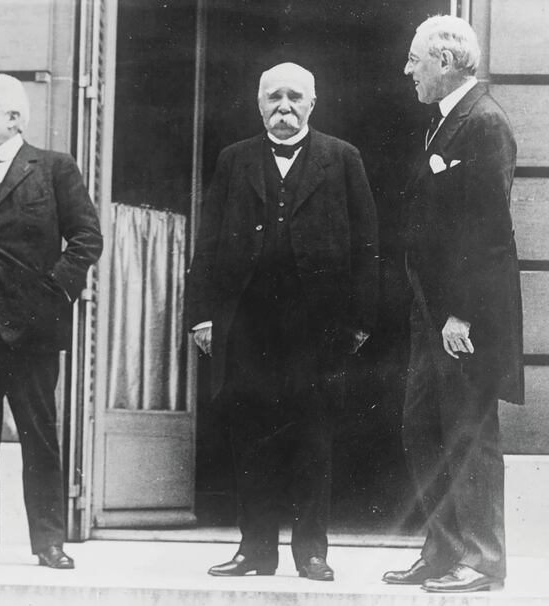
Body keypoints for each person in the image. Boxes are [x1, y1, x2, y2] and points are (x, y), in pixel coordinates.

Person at [187, 62, 379, 581]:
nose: (284, 107)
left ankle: (312, 552)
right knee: (251, 436)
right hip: (246, 323)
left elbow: (367, 244)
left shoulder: (342, 159)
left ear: (312, 105)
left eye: (295, 97)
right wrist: (202, 315)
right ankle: (255, 551)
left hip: (316, 325)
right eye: (273, 98)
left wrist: (359, 318)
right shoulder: (234, 160)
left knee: (313, 437)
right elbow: (206, 241)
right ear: (259, 104)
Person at [0, 72, 102, 569]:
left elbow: (86, 238)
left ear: (14, 119)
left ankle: (48, 542)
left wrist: (51, 294)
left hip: (31, 328)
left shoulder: (53, 169)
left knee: (38, 434)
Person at [382, 16, 523, 594]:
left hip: (464, 321)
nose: (408, 70)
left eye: (415, 59)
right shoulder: (445, 125)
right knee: (425, 431)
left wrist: (459, 313)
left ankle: (483, 560)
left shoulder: (484, 123)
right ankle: (442, 551)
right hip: (433, 317)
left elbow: (488, 231)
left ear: (445, 62)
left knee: (467, 435)